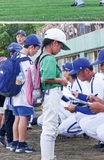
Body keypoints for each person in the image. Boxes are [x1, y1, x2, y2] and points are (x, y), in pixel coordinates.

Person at [64, 57, 104, 151]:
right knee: (81, 117)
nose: (76, 76)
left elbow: (94, 109)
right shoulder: (93, 79)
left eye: (78, 73)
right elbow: (93, 100)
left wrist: (75, 108)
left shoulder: (97, 82)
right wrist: (79, 95)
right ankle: (103, 140)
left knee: (86, 123)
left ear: (87, 70)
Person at [40, 28, 70, 160]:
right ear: (55, 43)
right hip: (51, 93)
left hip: (49, 94)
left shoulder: (43, 56)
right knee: (49, 128)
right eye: (60, 46)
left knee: (50, 127)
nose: (60, 49)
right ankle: (47, 157)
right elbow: (47, 78)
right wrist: (62, 80)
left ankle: (50, 156)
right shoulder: (49, 58)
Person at [10, 34, 42, 153]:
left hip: (14, 93)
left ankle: (15, 142)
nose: (35, 53)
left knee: (17, 117)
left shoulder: (15, 56)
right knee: (24, 117)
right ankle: (22, 143)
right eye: (36, 50)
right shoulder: (25, 60)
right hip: (24, 93)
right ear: (31, 47)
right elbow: (31, 79)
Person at [0, 43, 23, 149]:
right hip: (11, 95)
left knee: (9, 117)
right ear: (12, 53)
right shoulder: (12, 64)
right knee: (10, 118)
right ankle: (10, 141)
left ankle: (1, 134)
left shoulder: (7, 63)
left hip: (8, 95)